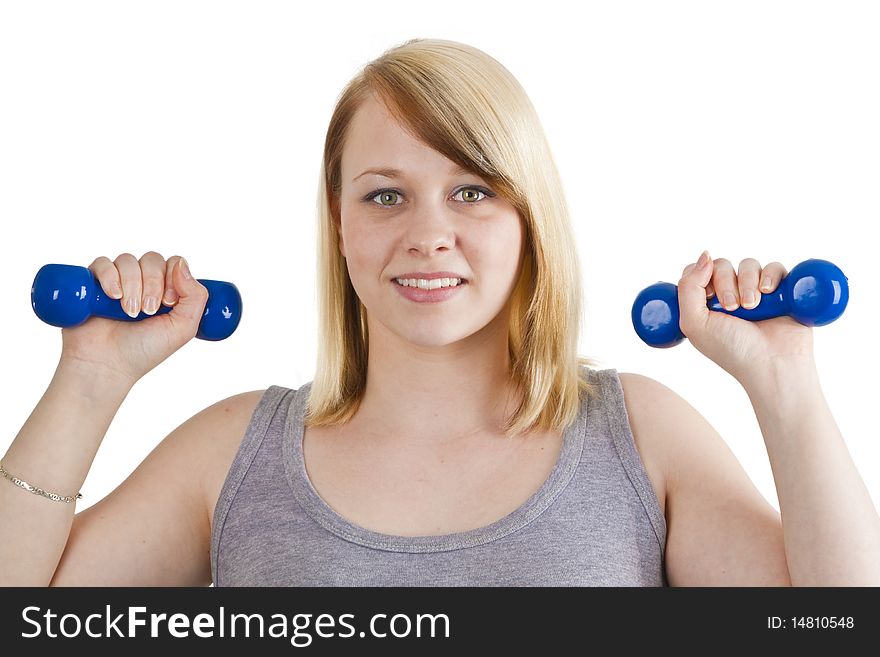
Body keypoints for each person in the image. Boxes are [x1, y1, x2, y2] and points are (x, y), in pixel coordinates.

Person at [2, 38, 878, 587]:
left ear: (529, 222)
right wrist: (90, 378)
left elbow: (839, 629)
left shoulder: (638, 434)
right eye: (385, 196)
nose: (428, 234)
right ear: (339, 227)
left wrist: (785, 382)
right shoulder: (233, 453)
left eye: (471, 191)